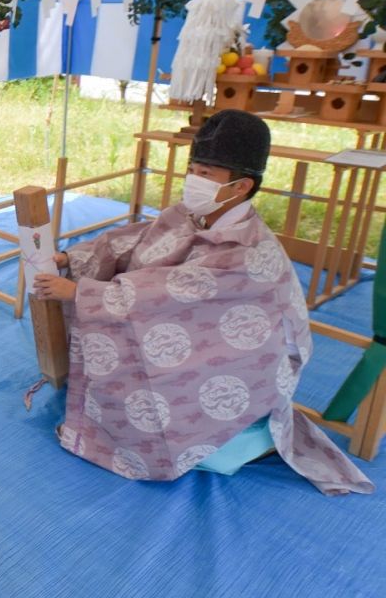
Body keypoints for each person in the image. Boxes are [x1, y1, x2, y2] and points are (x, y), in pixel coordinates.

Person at [33, 109, 372, 495]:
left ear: (241, 187)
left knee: (141, 346)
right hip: (189, 324)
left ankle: (162, 441)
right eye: (193, 168)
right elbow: (133, 241)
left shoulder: (249, 255)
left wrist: (82, 293)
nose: (193, 180)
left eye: (206, 174)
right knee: (128, 330)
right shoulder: (193, 213)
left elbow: (173, 292)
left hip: (243, 360)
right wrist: (72, 259)